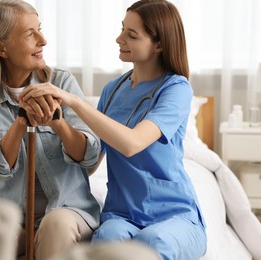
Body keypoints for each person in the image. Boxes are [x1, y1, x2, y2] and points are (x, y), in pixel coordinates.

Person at [20, 0, 207, 259]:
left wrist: (73, 100)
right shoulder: (113, 90)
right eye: (122, 29)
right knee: (107, 241)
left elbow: (132, 143)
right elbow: (92, 163)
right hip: (122, 213)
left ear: (159, 44)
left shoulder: (176, 89)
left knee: (152, 242)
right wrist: (58, 125)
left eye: (131, 35)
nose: (119, 39)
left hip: (173, 214)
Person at [0, 1, 101, 259]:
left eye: (40, 29)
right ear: (0, 47)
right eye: (30, 33)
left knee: (56, 225)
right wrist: (21, 121)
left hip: (66, 210)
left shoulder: (61, 82)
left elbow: (90, 155)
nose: (43, 40)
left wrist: (57, 122)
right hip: (7, 212)